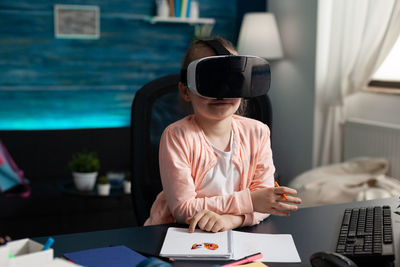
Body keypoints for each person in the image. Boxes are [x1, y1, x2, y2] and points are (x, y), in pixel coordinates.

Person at [144, 37, 302, 233]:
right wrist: (250, 201)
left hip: (236, 233)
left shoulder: (258, 132)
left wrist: (232, 221)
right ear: (186, 90)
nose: (222, 93)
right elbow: (183, 210)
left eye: (231, 80)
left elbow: (266, 203)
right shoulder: (177, 137)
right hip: (179, 233)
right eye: (210, 80)